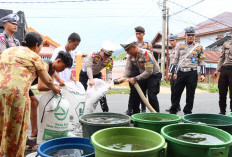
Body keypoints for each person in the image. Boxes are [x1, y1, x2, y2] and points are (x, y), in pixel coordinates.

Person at [0, 32, 60, 156]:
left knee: (1, 123)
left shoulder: (7, 51)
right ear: (36, 45)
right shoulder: (34, 56)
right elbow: (48, 80)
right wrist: (55, 89)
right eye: (41, 47)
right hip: (17, 94)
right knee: (16, 127)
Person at [169, 27, 206, 115]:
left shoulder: (199, 47)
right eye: (188, 35)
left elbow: (202, 61)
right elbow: (175, 60)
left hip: (192, 73)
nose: (190, 37)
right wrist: (171, 71)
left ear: (194, 36)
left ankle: (187, 112)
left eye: (192, 35)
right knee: (176, 92)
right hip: (181, 72)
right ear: (185, 36)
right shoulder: (179, 46)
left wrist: (203, 74)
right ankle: (173, 110)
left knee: (190, 94)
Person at [120, 41, 161, 113]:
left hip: (154, 75)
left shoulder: (145, 54)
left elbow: (149, 71)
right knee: (136, 94)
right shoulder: (130, 56)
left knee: (151, 96)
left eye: (128, 50)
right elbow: (128, 70)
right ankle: (136, 115)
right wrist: (122, 78)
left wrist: (135, 78)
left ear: (134, 47)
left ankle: (156, 116)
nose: (127, 52)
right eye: (126, 51)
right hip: (143, 76)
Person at [79, 41, 115, 112]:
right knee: (84, 93)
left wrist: (109, 83)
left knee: (101, 93)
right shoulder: (93, 54)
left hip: (97, 75)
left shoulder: (110, 60)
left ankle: (105, 112)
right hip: (85, 74)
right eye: (105, 55)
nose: (106, 57)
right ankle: (82, 111)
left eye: (108, 56)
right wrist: (91, 79)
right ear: (101, 50)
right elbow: (88, 67)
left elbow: (109, 72)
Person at [125, 26, 153, 115]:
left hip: (145, 69)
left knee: (143, 89)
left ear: (143, 34)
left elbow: (150, 58)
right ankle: (130, 108)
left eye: (139, 34)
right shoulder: (133, 44)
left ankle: (143, 108)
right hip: (135, 69)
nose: (138, 35)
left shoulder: (148, 45)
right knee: (133, 90)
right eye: (136, 34)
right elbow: (129, 59)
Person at [214, 31, 232, 115]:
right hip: (224, 70)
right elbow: (221, 58)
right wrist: (217, 70)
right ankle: (222, 111)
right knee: (222, 92)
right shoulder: (226, 44)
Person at [166, 34, 181, 112]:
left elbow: (178, 62)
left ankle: (174, 106)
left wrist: (173, 72)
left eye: (173, 40)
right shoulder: (172, 50)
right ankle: (176, 106)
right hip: (172, 72)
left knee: (175, 90)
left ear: (176, 41)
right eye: (170, 40)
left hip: (176, 72)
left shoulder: (178, 49)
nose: (171, 42)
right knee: (173, 90)